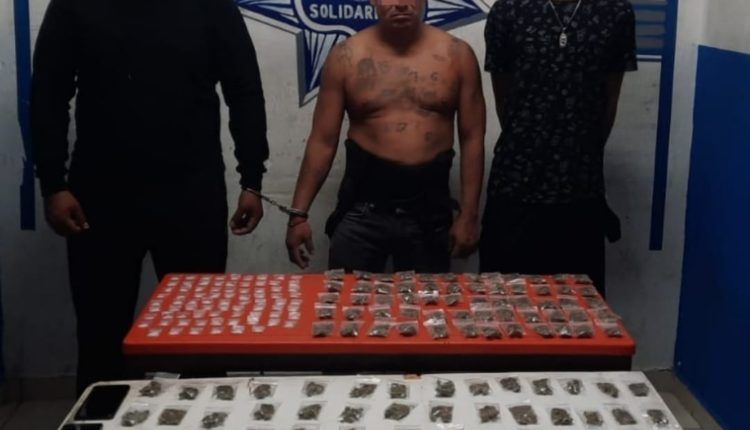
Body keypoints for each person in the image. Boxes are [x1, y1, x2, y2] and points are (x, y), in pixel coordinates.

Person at [31, 0, 269, 393]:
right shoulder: (75, 5)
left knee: (200, 336)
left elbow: (244, 89)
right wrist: (53, 184)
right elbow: (48, 91)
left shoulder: (211, 6)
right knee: (101, 336)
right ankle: (101, 414)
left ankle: (203, 416)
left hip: (191, 195)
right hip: (100, 198)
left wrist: (252, 179)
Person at [285, 0, 486, 273]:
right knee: (346, 297)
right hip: (363, 209)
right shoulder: (346, 56)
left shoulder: (457, 55)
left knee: (427, 300)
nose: (401, 4)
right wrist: (298, 215)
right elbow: (323, 141)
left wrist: (469, 215)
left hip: (428, 211)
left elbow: (472, 137)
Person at [480, 0, 638, 295]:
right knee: (504, 306)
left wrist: (576, 156)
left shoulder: (615, 12)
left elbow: (608, 103)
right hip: (515, 187)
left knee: (579, 311)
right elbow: (506, 104)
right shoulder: (508, 11)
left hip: (581, 191)